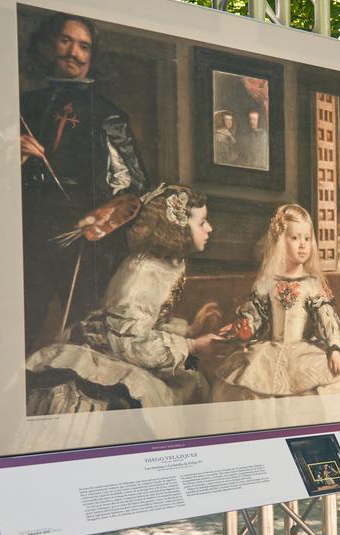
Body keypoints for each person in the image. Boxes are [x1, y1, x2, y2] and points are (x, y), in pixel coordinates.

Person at [25, 184, 225, 414]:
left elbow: (145, 322)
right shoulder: (144, 272)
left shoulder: (168, 263)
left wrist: (190, 330)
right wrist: (192, 346)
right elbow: (129, 342)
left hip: (126, 349)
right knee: (179, 391)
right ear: (177, 226)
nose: (209, 228)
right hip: (107, 358)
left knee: (194, 384)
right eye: (201, 222)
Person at [19, 12, 150, 355]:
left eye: (83, 46)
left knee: (81, 331)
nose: (73, 53)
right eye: (66, 41)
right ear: (50, 45)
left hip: (84, 239)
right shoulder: (24, 105)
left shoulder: (108, 114)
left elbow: (134, 186)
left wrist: (101, 218)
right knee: (23, 321)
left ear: (92, 56)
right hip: (28, 229)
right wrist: (14, 154)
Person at [213, 204, 340, 401]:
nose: (303, 245)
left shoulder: (312, 284)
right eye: (295, 238)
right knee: (248, 387)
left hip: (304, 353)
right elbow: (255, 314)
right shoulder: (267, 282)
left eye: (307, 238)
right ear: (280, 242)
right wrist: (247, 327)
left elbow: (327, 319)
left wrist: (334, 348)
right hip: (270, 351)